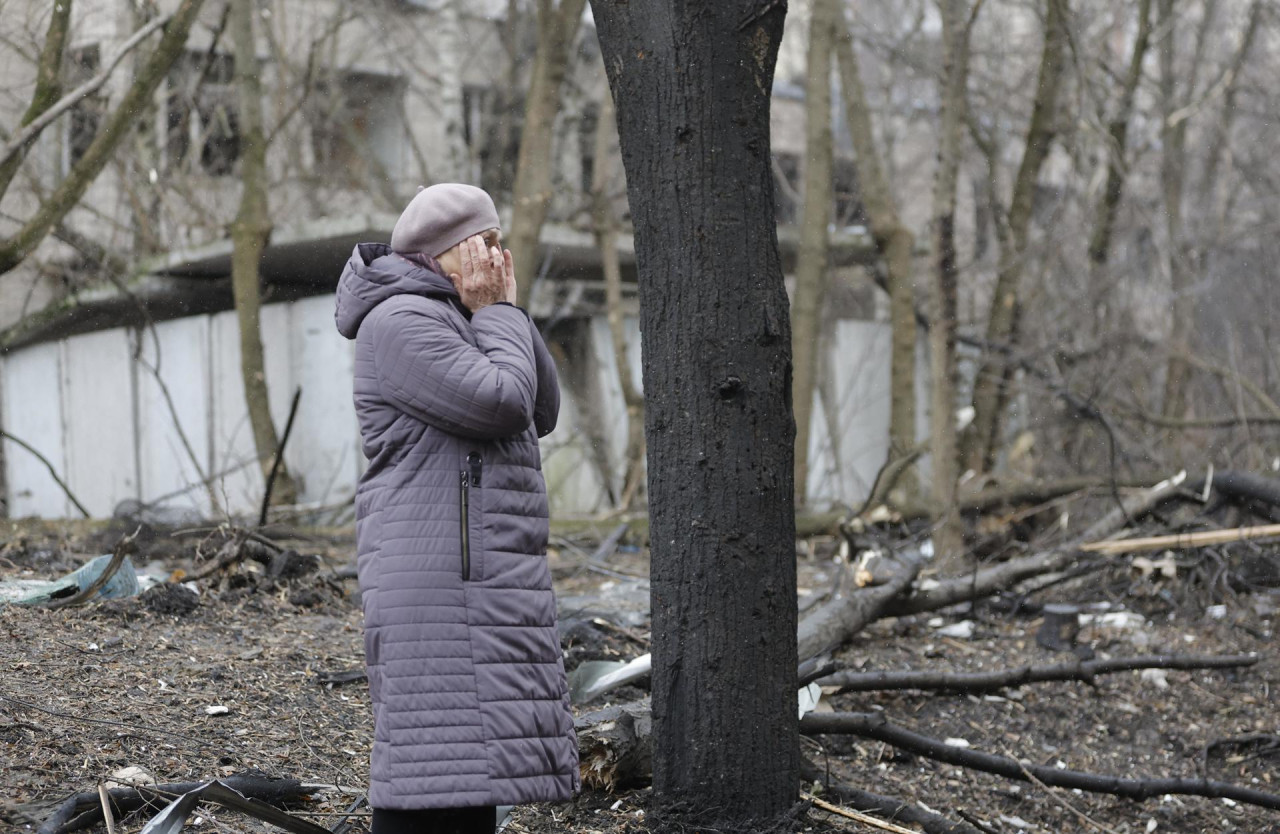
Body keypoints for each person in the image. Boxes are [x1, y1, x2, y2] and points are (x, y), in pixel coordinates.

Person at [334, 184, 579, 834]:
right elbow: (501, 402)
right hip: (438, 589)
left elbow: (542, 408)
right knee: (430, 780)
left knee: (466, 782)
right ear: (448, 252)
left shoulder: (465, 315)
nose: (500, 258)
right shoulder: (397, 323)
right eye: (487, 243)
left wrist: (506, 312)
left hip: (477, 583)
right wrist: (498, 313)